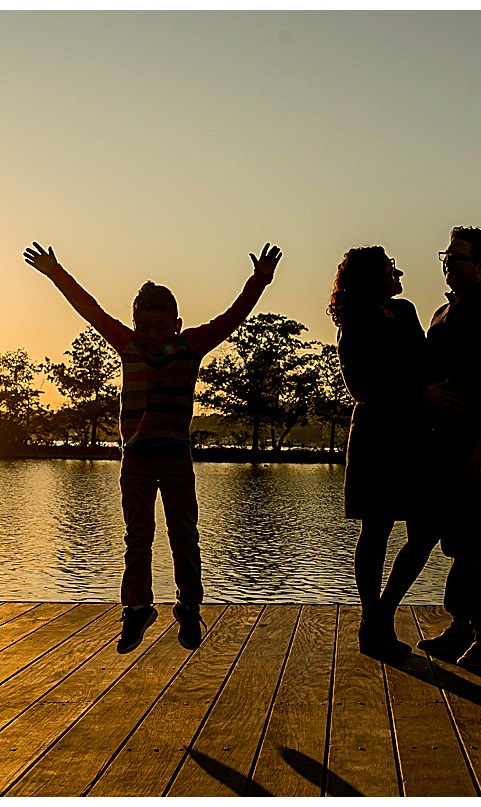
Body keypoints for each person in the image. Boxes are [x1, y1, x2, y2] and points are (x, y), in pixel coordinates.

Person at [23, 240, 281, 654]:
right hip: (138, 457)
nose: (152, 336)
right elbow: (90, 310)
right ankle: (138, 608)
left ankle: (189, 606)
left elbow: (234, 317)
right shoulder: (128, 345)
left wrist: (259, 280)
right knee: (138, 536)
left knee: (184, 533)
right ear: (135, 324)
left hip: (176, 455)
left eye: (161, 328)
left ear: (176, 325)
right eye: (145, 328)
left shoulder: (191, 346)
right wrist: (56, 274)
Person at [328, 245, 459, 663]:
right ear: (371, 279)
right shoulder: (353, 325)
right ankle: (375, 620)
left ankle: (379, 615)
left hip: (415, 436)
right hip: (377, 437)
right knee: (377, 530)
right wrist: (419, 392)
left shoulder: (404, 312)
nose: (396, 273)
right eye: (388, 269)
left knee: (426, 530)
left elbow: (425, 360)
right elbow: (362, 387)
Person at [416, 226, 481, 670]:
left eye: (459, 256)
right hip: (446, 443)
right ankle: (461, 624)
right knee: (458, 538)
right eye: (448, 254)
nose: (450, 262)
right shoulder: (443, 313)